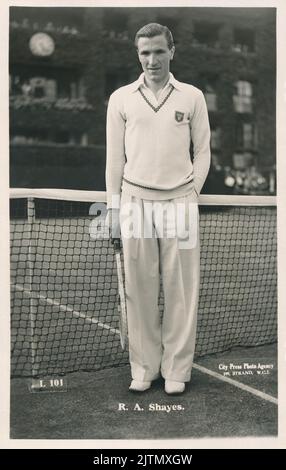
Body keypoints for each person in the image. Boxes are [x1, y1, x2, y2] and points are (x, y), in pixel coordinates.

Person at [106, 23, 211, 395]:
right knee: (140, 289)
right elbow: (114, 160)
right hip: (134, 202)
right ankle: (144, 368)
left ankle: (177, 371)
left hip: (180, 201)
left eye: (158, 52)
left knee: (182, 291)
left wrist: (192, 192)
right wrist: (114, 210)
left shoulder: (192, 96)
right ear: (138, 55)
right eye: (144, 53)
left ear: (172, 51)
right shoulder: (120, 98)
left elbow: (202, 151)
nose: (152, 60)